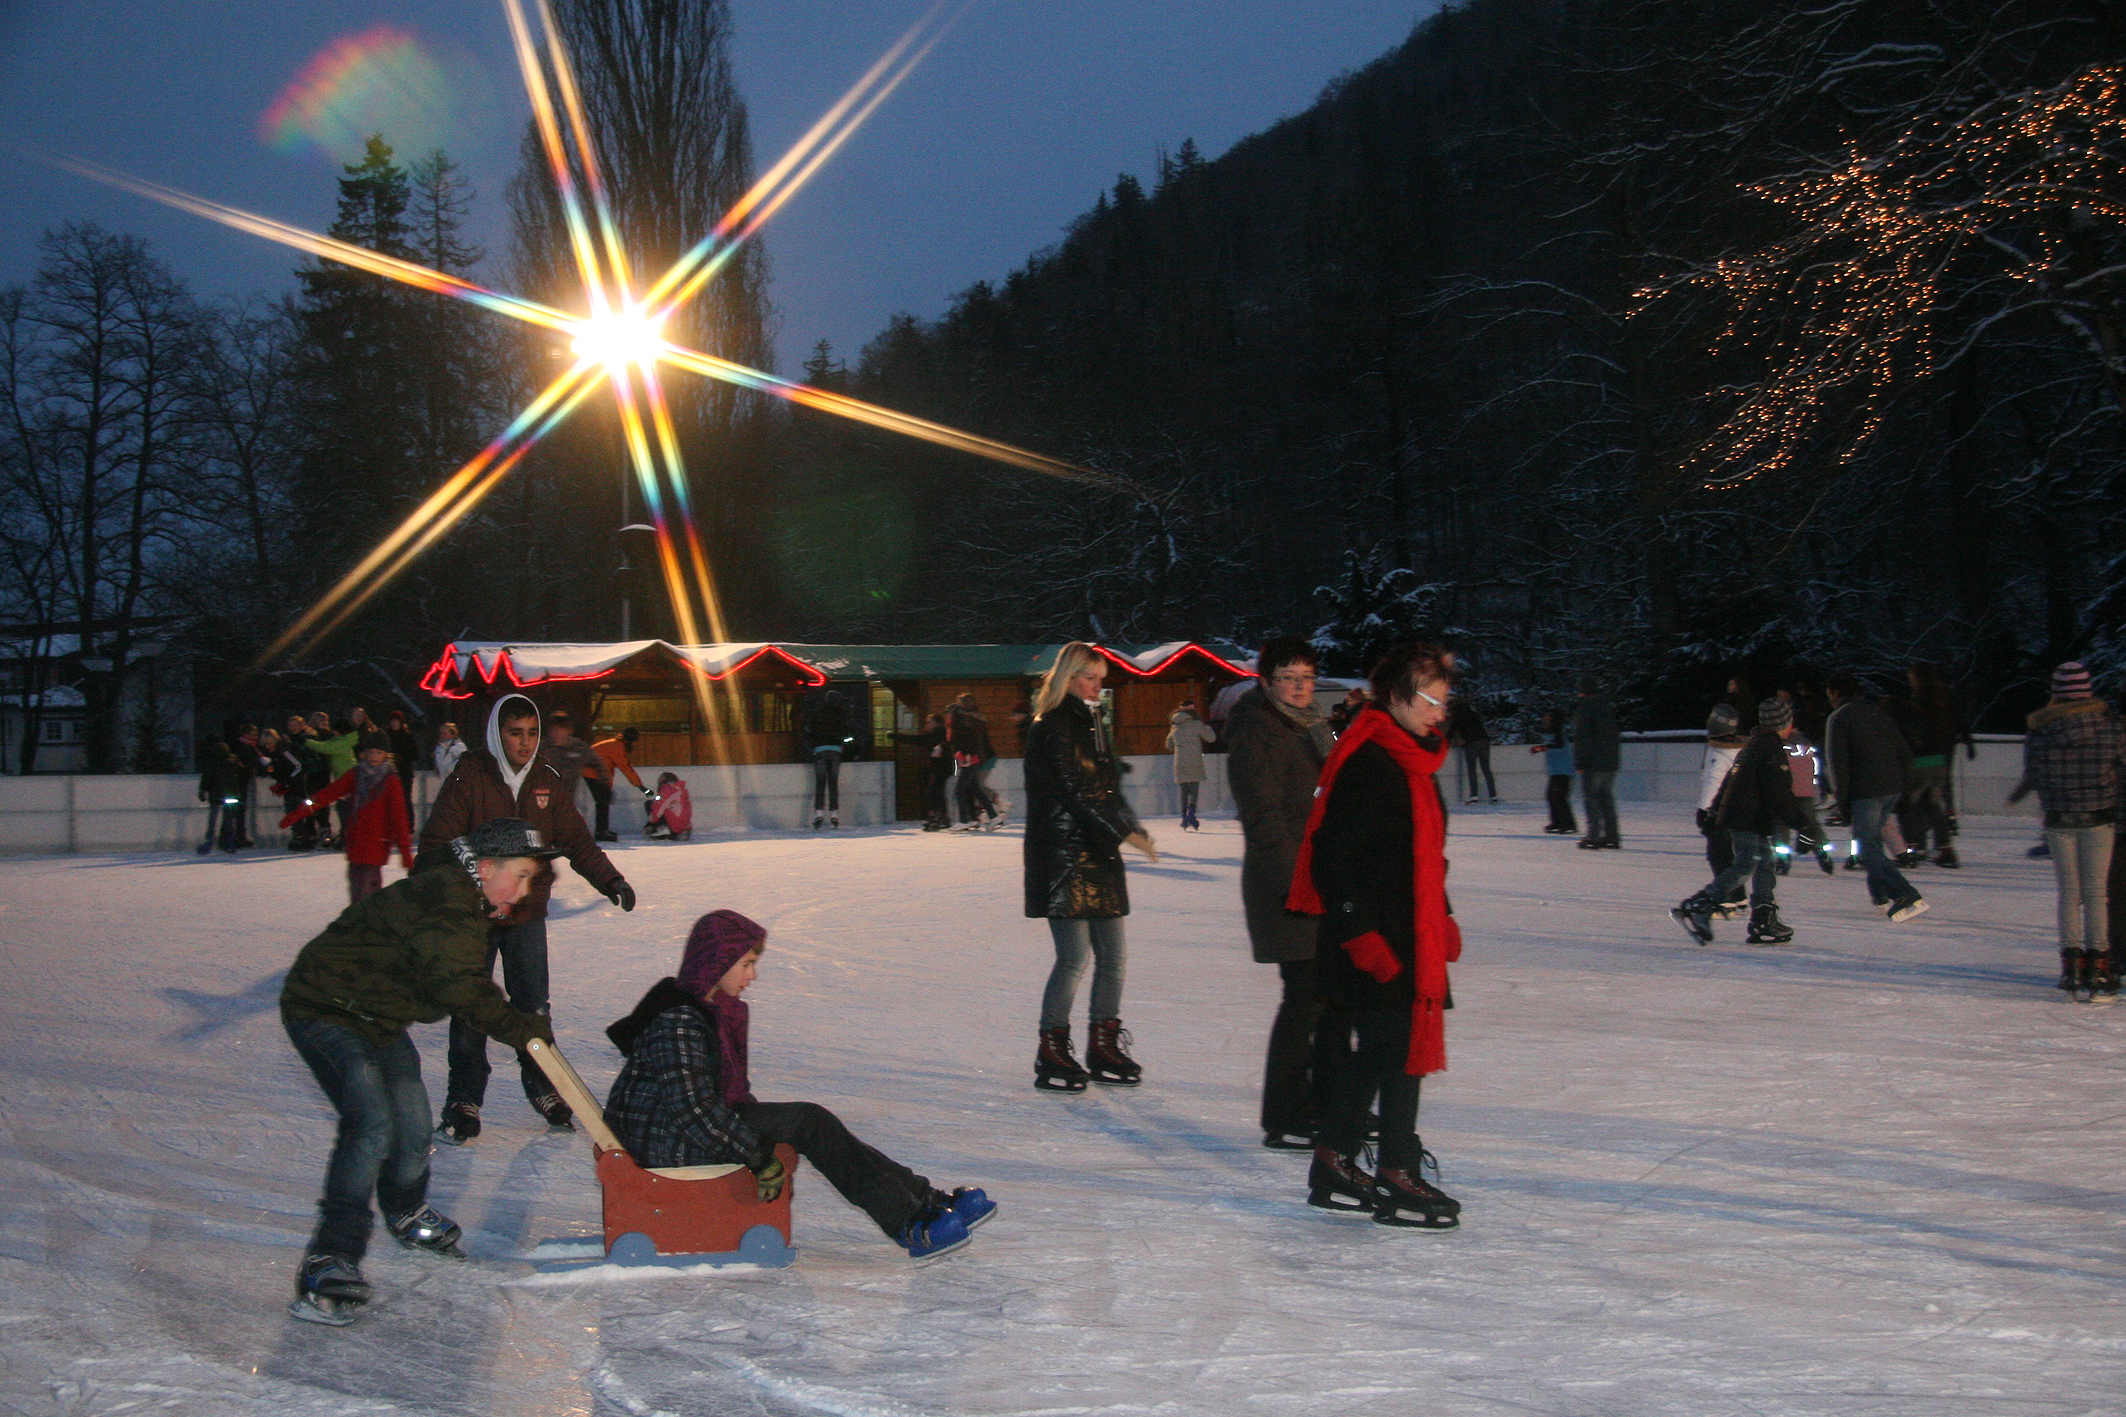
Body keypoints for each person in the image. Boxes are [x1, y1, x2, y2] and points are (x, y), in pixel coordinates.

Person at [279, 817, 558, 1325]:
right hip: (324, 1009)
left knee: (411, 1124)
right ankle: (330, 1258)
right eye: (519, 876)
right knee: (371, 1123)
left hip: (378, 1018)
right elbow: (462, 991)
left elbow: (451, 986)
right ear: (486, 867)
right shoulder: (449, 906)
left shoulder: (465, 903)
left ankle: (405, 1211)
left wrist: (526, 1030)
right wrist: (527, 1034)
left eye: (531, 881)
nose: (523, 892)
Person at [604, 909, 995, 1262]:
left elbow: (709, 1101)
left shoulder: (705, 1009)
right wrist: (755, 1155)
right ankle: (908, 1220)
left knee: (811, 1121)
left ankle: (924, 1201)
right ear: (717, 962)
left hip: (676, 1128)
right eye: (746, 964)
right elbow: (694, 1112)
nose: (752, 976)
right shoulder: (680, 1023)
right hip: (666, 1140)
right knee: (810, 1122)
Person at [1286, 641, 1464, 1230]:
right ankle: (1395, 1171)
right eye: (1430, 699)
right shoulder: (1370, 762)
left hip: (1411, 930)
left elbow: (1425, 858)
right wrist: (1360, 933)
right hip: (1376, 937)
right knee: (1399, 1057)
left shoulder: (1414, 760)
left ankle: (1334, 1160)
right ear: (1395, 698)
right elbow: (1332, 860)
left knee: (1379, 1055)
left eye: (1444, 699)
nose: (1440, 711)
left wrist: (1444, 914)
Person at [419, 693, 635, 1142]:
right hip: (476, 917)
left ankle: (544, 1087)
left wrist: (610, 880)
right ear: (497, 734)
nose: (524, 742)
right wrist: (477, 874)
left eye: (532, 733)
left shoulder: (548, 780)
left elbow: (577, 840)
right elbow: (437, 843)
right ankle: (464, 1099)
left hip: (527, 915)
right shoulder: (469, 777)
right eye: (514, 733)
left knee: (533, 1008)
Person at [1025, 641, 1159, 1091]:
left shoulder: (1094, 723)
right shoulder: (1053, 725)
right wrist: (1125, 832)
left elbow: (1106, 789)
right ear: (1068, 677)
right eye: (1089, 677)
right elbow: (1075, 791)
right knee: (1074, 957)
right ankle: (1052, 1047)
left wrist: (1129, 827)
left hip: (1098, 850)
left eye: (1101, 679)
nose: (1097, 687)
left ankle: (1103, 1044)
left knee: (1114, 958)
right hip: (1063, 853)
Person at [1226, 634, 1337, 1148]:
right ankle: (1287, 1114)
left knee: (1325, 1000)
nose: (1299, 687)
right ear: (1267, 681)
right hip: (1288, 885)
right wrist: (1301, 884)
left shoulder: (1314, 727)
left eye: (1306, 677)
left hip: (1322, 879)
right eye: (1288, 678)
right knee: (1305, 999)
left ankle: (1320, 1101)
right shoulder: (1258, 730)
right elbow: (1264, 820)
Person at [1671, 697, 1817, 946]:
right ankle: (1700, 905)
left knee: (1764, 864)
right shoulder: (1769, 750)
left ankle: (1763, 918)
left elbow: (1731, 781)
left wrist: (1715, 810)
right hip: (1746, 818)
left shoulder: (1755, 745)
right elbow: (1779, 795)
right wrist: (1804, 826)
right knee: (1747, 865)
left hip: (1747, 817)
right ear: (1784, 722)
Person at [2021, 662, 2126, 999]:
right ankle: (2099, 966)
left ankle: (2071, 967)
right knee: (2096, 893)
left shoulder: (2039, 731)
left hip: (2059, 820)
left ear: (2056, 693)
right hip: (2099, 817)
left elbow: (2034, 775)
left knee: (2069, 893)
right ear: (2088, 689)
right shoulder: (2111, 728)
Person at [1824, 672, 1928, 922]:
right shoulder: (1877, 713)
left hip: (1865, 791)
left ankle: (1905, 894)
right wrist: (1902, 785)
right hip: (1890, 788)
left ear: (1835, 694)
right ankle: (1880, 894)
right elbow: (1904, 751)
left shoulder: (1839, 718)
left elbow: (1838, 764)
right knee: (1872, 840)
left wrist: (1842, 801)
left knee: (1864, 846)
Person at [282, 734, 414, 903]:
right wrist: (299, 812)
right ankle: (361, 925)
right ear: (363, 753)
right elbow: (328, 793)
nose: (374, 756)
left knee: (366, 895)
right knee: (356, 890)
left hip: (376, 843)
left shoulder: (391, 781)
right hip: (355, 841)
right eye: (370, 752)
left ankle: (367, 926)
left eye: (379, 752)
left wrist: (405, 850)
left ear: (386, 755)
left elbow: (399, 816)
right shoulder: (356, 775)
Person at [1695, 703, 1751, 915]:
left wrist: (1704, 810)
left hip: (1720, 811)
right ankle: (1738, 896)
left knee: (1719, 855)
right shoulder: (1741, 750)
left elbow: (1714, 782)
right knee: (1730, 855)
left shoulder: (1718, 753)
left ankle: (1726, 899)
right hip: (1740, 810)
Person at [1572, 677, 1622, 849]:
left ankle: (1593, 836)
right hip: (1610, 761)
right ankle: (1612, 836)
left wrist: (1580, 762)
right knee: (1606, 798)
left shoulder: (1585, 708)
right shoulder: (1607, 706)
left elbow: (1583, 738)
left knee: (1591, 799)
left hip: (1593, 762)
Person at [539, 710, 606, 827]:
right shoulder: (542, 749)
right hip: (544, 801)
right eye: (554, 730)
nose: (557, 734)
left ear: (569, 731)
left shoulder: (578, 748)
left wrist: (603, 784)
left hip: (568, 800)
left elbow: (597, 763)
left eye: (561, 730)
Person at [804, 689, 856, 829]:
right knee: (833, 783)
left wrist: (813, 747)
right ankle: (834, 814)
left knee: (820, 784)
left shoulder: (817, 714)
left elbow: (809, 733)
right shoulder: (841, 715)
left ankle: (818, 813)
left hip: (820, 750)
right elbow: (848, 735)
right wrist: (845, 746)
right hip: (835, 750)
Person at [949, 693, 1000, 830]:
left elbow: (966, 740)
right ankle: (993, 816)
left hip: (970, 759)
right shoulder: (971, 719)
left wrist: (966, 755)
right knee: (976, 789)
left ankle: (964, 820)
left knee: (960, 790)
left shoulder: (962, 721)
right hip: (971, 758)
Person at [1165, 699, 1216, 831]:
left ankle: (1183, 817)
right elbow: (1211, 738)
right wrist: (1208, 728)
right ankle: (1191, 815)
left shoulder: (1174, 724)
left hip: (1180, 761)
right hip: (1195, 761)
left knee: (1183, 790)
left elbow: (1169, 745)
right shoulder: (1196, 723)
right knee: (1194, 789)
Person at [591, 726, 650, 842]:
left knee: (603, 800)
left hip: (592, 771)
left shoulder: (615, 745)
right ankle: (601, 832)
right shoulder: (617, 748)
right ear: (629, 741)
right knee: (603, 801)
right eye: (634, 742)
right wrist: (641, 787)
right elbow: (626, 769)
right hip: (591, 772)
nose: (635, 745)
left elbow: (608, 768)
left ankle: (602, 830)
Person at [195, 736, 248, 855]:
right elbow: (240, 776)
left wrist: (203, 790)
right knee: (229, 819)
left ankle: (209, 841)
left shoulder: (211, 761)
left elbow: (207, 777)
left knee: (213, 818)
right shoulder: (234, 760)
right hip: (231, 796)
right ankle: (229, 841)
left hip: (216, 795)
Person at [1531, 708, 1578, 834]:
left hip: (1563, 771)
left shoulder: (1558, 732)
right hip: (1557, 770)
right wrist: (1541, 748)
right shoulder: (1554, 732)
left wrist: (1541, 748)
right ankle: (1558, 822)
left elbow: (1558, 747)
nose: (1545, 720)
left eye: (1548, 718)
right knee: (1552, 796)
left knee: (1559, 797)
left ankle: (1568, 824)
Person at [1447, 696, 1496, 805]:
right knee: (1486, 769)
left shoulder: (1457, 716)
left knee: (1472, 769)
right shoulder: (1473, 713)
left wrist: (1443, 743)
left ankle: (1474, 796)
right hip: (1484, 740)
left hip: (1471, 743)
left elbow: (1451, 732)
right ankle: (1493, 796)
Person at [920, 712, 954, 831]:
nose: (927, 725)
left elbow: (919, 740)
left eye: (929, 722)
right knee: (938, 792)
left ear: (935, 723)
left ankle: (936, 816)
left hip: (944, 767)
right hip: (944, 767)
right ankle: (942, 817)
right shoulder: (939, 732)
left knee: (933, 792)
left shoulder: (937, 733)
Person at [385, 710, 420, 810]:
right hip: (389, 772)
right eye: (392, 721)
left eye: (396, 721)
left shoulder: (408, 736)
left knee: (405, 800)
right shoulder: (386, 736)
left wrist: (401, 758)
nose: (394, 723)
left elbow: (415, 754)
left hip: (405, 773)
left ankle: (408, 823)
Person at [644, 771, 693, 840]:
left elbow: (658, 807)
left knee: (650, 803)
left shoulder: (668, 789)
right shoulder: (681, 790)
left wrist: (651, 822)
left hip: (674, 826)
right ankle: (682, 832)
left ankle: (662, 829)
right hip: (685, 826)